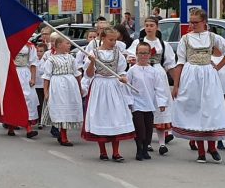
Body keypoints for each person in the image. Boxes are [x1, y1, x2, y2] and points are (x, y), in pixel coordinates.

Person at [172, 8, 225, 164]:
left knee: (210, 110)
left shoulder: (212, 37)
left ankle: (212, 147)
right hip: (191, 76)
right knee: (195, 111)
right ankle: (201, 152)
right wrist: (176, 85)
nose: (192, 25)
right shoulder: (185, 39)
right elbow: (179, 63)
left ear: (204, 22)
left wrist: (217, 67)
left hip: (209, 76)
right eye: (191, 22)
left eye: (195, 22)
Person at [82, 27, 135, 162]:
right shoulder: (93, 53)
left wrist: (123, 78)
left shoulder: (118, 54)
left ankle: (116, 152)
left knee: (115, 116)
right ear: (103, 38)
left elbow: (121, 71)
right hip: (99, 86)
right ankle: (103, 151)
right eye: (111, 40)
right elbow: (88, 75)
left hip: (113, 86)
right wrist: (92, 62)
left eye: (115, 40)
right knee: (101, 116)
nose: (113, 42)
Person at [127, 42, 171, 160]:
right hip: (137, 104)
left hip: (149, 103)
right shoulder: (132, 71)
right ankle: (139, 150)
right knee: (140, 128)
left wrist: (162, 103)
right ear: (136, 54)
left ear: (149, 55)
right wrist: (129, 102)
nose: (143, 56)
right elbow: (127, 87)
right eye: (140, 53)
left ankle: (146, 149)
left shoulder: (153, 71)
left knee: (148, 129)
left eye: (145, 53)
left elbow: (159, 88)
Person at [40, 36, 83, 147]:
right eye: (67, 43)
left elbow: (77, 73)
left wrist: (80, 87)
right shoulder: (51, 59)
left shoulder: (71, 58)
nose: (70, 45)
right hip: (57, 85)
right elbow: (47, 76)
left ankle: (63, 134)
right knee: (61, 109)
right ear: (59, 45)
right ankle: (63, 136)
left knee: (68, 108)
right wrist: (46, 91)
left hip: (70, 85)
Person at [9, 42, 39, 138]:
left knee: (29, 99)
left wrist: (33, 78)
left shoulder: (30, 46)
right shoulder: (9, 42)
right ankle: (11, 125)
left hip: (25, 73)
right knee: (13, 99)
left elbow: (33, 63)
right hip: (12, 72)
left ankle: (28, 127)